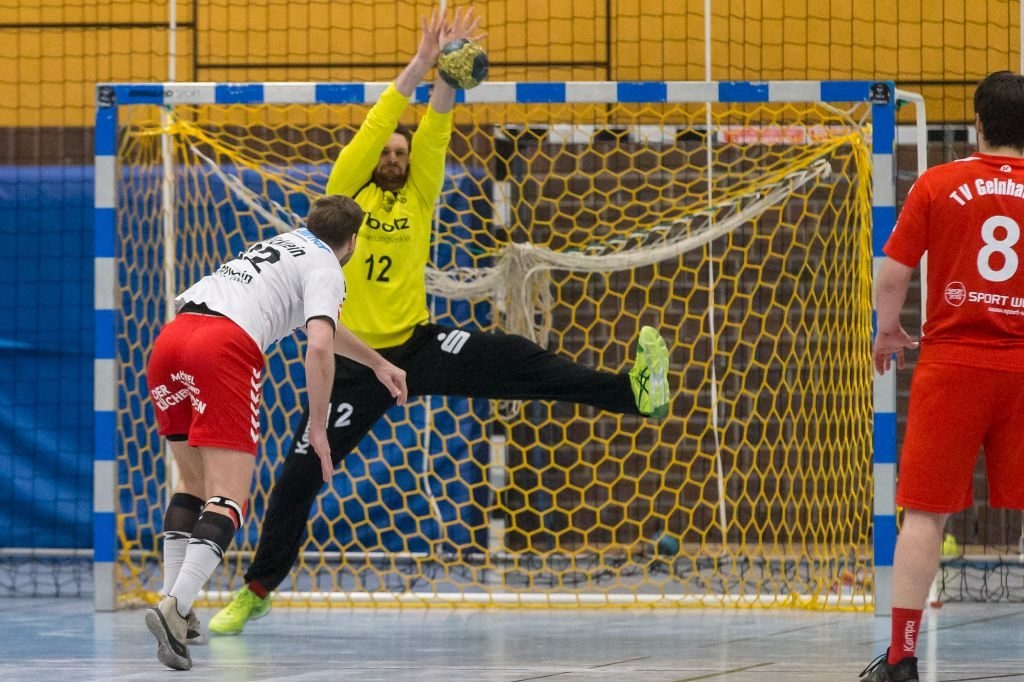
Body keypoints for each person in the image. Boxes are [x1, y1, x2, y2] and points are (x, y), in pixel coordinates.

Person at [208, 5, 671, 636]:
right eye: (387, 151)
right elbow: (377, 123)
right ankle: (257, 591)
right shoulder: (346, 194)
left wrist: (448, 74)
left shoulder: (421, 193)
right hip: (353, 365)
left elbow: (438, 127)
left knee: (518, 360)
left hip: (416, 347)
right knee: (297, 478)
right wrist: (421, 61)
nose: (395, 155)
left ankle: (634, 394)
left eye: (402, 151)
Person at [144, 194, 409, 670]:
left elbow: (323, 326)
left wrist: (376, 362)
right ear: (352, 241)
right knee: (230, 498)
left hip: (173, 339)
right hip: (222, 347)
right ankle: (175, 608)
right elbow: (319, 345)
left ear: (308, 223)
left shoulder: (281, 244)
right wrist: (318, 425)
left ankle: (173, 603)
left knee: (192, 484)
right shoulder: (328, 267)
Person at [861, 70, 1024, 682]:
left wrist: (887, 331)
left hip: (953, 365)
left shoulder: (937, 182)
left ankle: (902, 658)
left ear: (977, 123)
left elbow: (892, 275)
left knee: (925, 515)